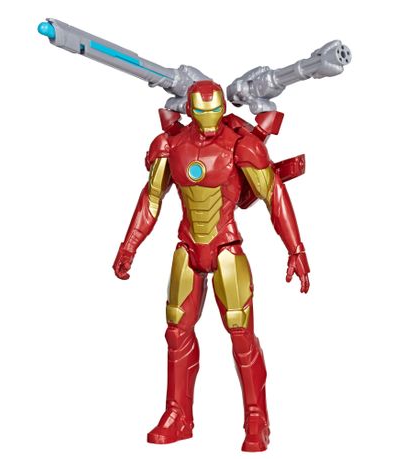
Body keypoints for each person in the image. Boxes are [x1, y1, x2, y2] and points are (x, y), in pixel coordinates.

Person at [113, 80, 310, 452]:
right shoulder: (170, 145)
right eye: (201, 112)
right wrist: (129, 246)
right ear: (189, 109)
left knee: (241, 334)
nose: (208, 120)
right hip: (188, 245)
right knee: (176, 332)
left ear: (223, 108)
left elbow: (273, 194)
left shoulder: (241, 145)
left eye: (215, 111)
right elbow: (152, 198)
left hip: (225, 246)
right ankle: (178, 416)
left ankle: (257, 420)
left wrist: (295, 249)